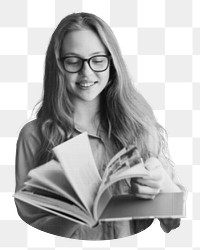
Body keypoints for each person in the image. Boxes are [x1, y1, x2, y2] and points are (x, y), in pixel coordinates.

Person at [15, 12, 185, 240]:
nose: (86, 72)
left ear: (112, 63)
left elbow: (172, 222)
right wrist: (75, 211)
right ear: (58, 66)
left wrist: (164, 185)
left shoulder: (139, 126)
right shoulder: (33, 136)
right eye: (73, 61)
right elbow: (29, 224)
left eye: (97, 60)